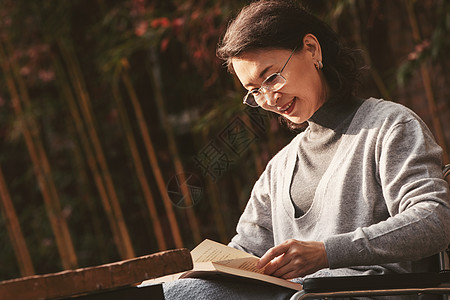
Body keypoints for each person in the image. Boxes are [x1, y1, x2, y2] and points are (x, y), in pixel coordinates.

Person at [163, 0, 450, 298]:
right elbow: (246, 252)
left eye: (272, 77)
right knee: (171, 291)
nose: (270, 99)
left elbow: (433, 220)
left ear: (312, 49)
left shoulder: (390, 127)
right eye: (255, 91)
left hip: (359, 293)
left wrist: (326, 253)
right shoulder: (279, 168)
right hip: (295, 295)